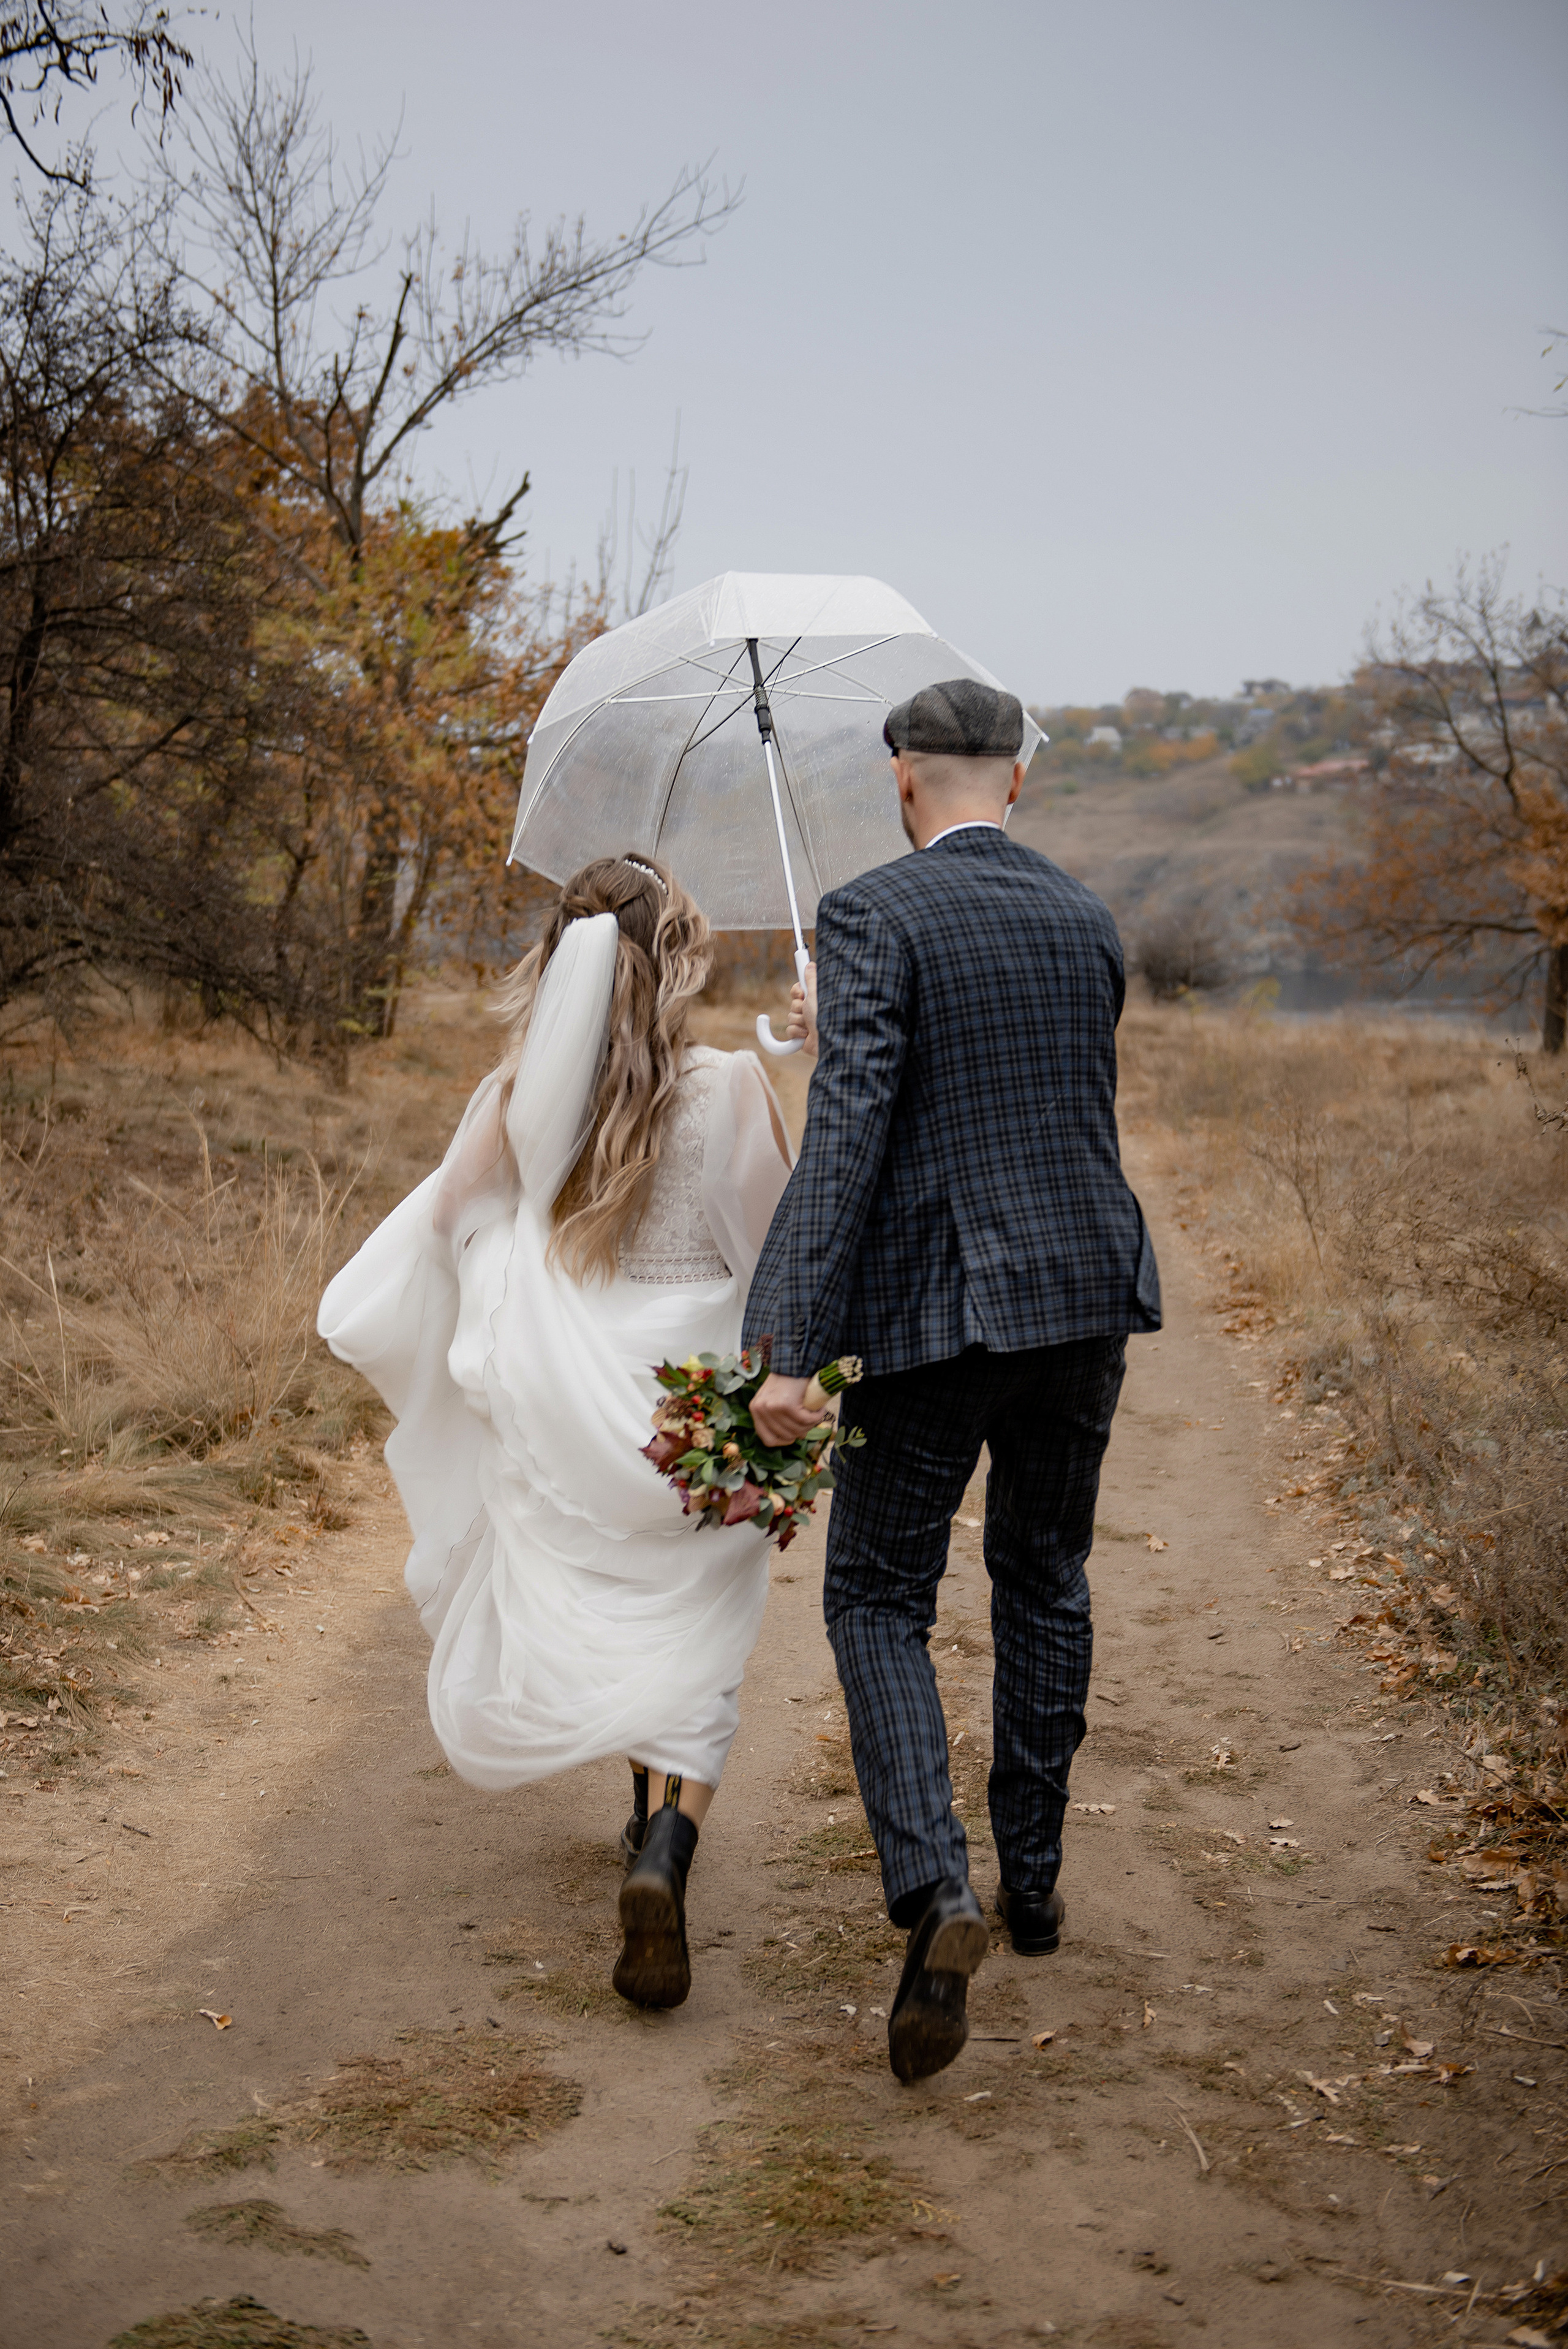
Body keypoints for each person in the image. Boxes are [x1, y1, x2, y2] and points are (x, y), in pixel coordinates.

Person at [745, 679, 1160, 2086]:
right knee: (1045, 1575)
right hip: (1082, 1298)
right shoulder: (1084, 919)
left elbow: (855, 1131)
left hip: (935, 1318)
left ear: (900, 781)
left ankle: (936, 1892)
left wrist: (787, 1345)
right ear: (1018, 782)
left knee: (873, 1596)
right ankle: (1032, 1883)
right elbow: (1016, 1094)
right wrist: (839, 1023)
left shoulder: (872, 914)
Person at [318, 856, 794, 2011]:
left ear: (558, 961)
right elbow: (774, 1250)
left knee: (618, 1598)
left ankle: (642, 1816)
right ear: (676, 960)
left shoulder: (518, 1098)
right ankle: (666, 1847)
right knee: (700, 1622)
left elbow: (449, 1218)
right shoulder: (725, 1089)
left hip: (569, 1411)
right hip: (691, 1407)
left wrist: (520, 1290)